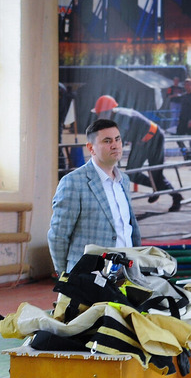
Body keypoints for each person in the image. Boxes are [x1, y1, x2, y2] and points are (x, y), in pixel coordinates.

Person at [48, 118, 141, 275]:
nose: (115, 145)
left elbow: (128, 227)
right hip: (88, 276)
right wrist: (66, 275)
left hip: (125, 273)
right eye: (107, 141)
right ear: (91, 148)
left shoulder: (123, 180)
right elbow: (58, 235)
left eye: (117, 139)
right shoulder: (74, 182)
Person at [91, 94, 184, 211]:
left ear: (107, 111)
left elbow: (119, 141)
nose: (98, 116)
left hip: (154, 137)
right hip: (141, 142)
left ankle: (177, 197)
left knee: (156, 174)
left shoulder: (120, 118)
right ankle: (156, 187)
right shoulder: (113, 118)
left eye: (99, 113)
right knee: (132, 173)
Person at [172, 78, 191, 160]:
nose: (187, 86)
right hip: (183, 120)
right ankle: (186, 153)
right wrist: (179, 119)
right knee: (178, 138)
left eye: (188, 84)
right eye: (185, 84)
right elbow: (182, 108)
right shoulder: (184, 96)